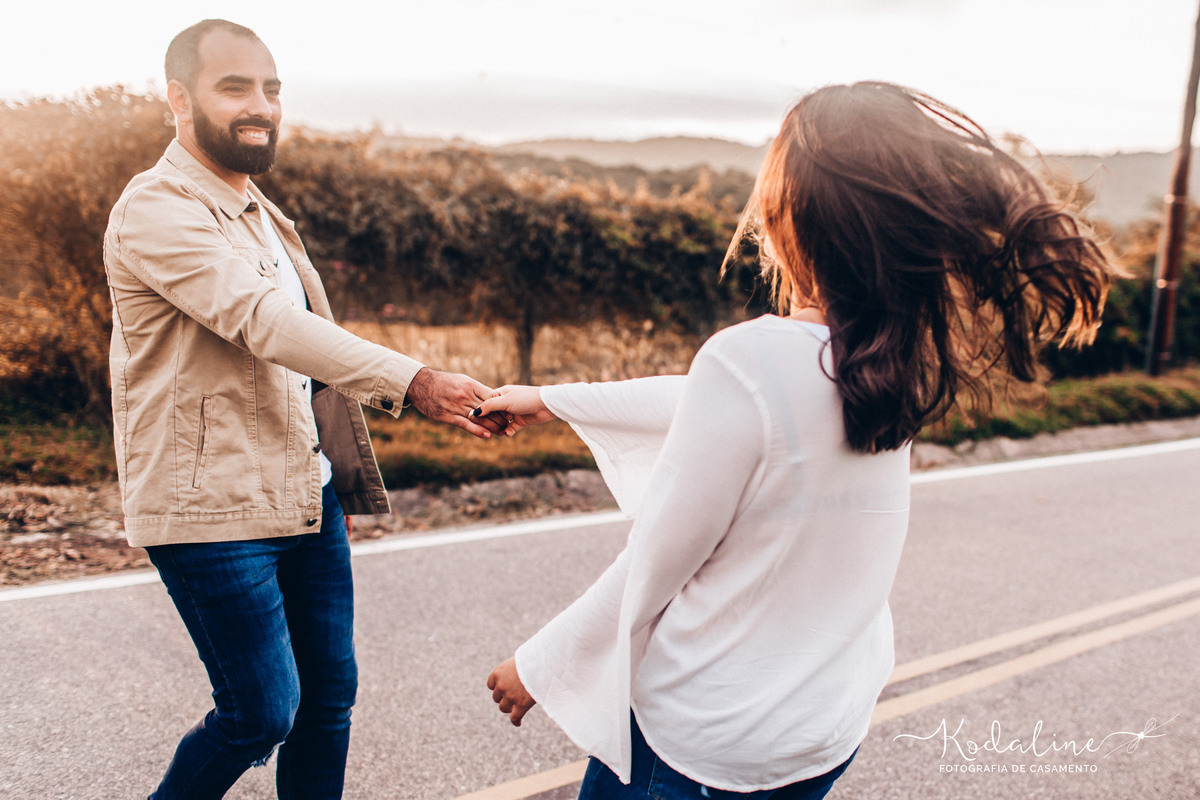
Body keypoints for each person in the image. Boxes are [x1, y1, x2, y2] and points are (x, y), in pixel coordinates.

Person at [481, 81, 1114, 799]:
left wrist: (539, 665)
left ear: (792, 214)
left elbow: (654, 563)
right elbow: (731, 408)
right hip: (819, 732)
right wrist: (555, 402)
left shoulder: (750, 361)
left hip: (700, 747)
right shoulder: (896, 353)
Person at [103, 19, 504, 800]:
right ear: (178, 100)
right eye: (235, 88)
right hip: (211, 512)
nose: (261, 106)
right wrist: (415, 381)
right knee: (260, 714)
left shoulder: (259, 211)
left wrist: (332, 484)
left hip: (304, 501)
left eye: (271, 88)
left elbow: (301, 370)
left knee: (329, 704)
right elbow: (268, 324)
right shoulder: (156, 208)